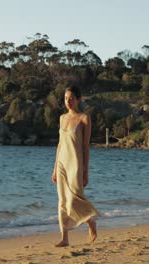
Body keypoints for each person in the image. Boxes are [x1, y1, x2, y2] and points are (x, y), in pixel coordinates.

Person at [51, 85, 99, 247]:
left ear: (78, 99)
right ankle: (64, 238)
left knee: (74, 198)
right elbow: (59, 144)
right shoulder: (62, 118)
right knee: (62, 201)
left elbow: (85, 147)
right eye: (66, 98)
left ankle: (90, 221)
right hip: (62, 163)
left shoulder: (84, 118)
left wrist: (86, 170)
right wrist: (55, 167)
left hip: (76, 164)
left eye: (71, 98)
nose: (68, 101)